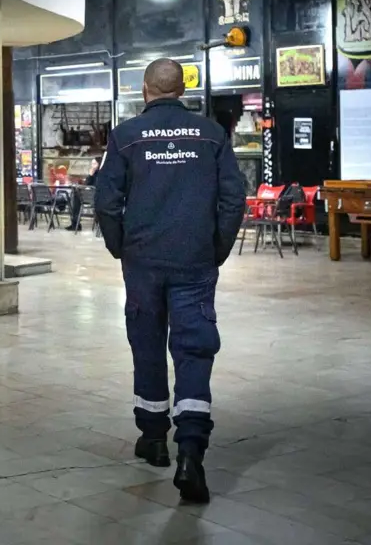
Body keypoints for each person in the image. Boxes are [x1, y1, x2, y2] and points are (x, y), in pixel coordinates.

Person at [93, 58, 245, 503]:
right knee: (195, 347)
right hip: (194, 259)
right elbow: (234, 199)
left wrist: (121, 245)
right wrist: (214, 247)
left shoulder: (125, 137)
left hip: (143, 260)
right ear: (182, 90)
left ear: (146, 90)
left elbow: (106, 201)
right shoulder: (213, 135)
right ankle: (191, 452)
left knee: (146, 343)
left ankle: (154, 438)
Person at [66, 158, 100, 231]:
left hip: (99, 198)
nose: (92, 166)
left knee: (77, 196)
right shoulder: (93, 174)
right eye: (92, 164)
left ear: (99, 164)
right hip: (91, 197)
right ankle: (75, 224)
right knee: (76, 195)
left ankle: (76, 224)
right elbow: (86, 184)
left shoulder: (102, 173)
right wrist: (90, 174)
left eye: (94, 164)